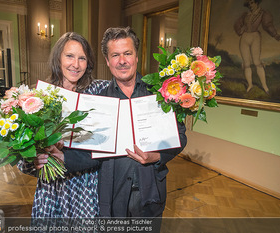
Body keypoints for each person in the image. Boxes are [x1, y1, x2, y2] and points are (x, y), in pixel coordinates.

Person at [17, 32, 110, 218]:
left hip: (86, 187)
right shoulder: (38, 97)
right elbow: (21, 157)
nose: (76, 64)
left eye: (82, 58)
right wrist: (33, 160)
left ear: (89, 62)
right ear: (58, 57)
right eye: (69, 56)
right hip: (52, 189)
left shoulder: (100, 91)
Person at [97, 26, 187, 217]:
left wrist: (157, 157)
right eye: (115, 55)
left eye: (127, 53)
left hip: (150, 191)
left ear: (137, 56)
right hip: (113, 196)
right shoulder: (99, 101)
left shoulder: (159, 93)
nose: (122, 61)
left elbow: (180, 137)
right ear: (107, 61)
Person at [234, 0, 280, 94]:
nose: (250, 5)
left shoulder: (262, 13)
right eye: (249, 4)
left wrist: (275, 35)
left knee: (257, 62)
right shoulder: (246, 15)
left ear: (257, 3)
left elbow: (268, 25)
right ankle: (250, 85)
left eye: (252, 3)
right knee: (246, 63)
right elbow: (237, 25)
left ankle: (265, 86)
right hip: (244, 37)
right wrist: (241, 30)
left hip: (255, 37)